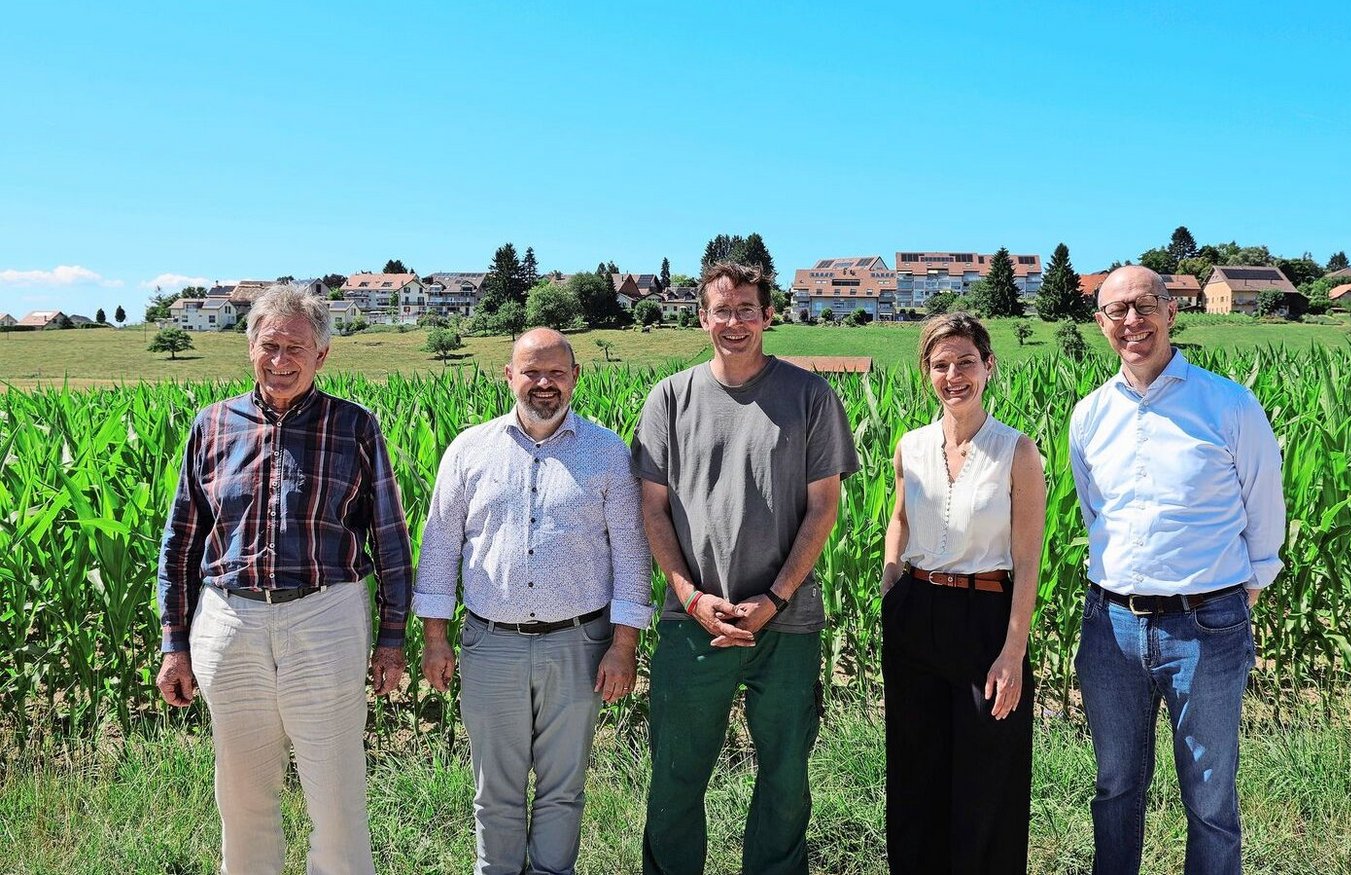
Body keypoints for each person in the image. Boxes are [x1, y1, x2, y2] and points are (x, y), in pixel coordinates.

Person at [154, 284, 412, 874]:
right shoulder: (212, 426)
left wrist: (393, 638)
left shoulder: (355, 427)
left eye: (295, 347)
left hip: (325, 614)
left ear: (321, 356)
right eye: (269, 345)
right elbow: (182, 543)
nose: (281, 360)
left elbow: (390, 540)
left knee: (338, 796)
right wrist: (175, 643)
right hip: (229, 618)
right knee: (241, 796)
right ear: (250, 349)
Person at [631, 260, 860, 875]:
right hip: (691, 623)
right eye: (722, 310)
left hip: (785, 626)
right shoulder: (670, 399)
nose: (735, 322)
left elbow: (823, 507)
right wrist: (692, 596)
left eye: (747, 310)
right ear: (702, 316)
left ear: (768, 315)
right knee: (676, 780)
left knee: (786, 780)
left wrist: (775, 599)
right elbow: (652, 510)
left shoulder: (810, 396)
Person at [1070, 265, 1285, 875]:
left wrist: (1248, 588)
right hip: (1111, 624)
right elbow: (1096, 513)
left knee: (1210, 795)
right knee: (1114, 786)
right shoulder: (1089, 416)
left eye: (1144, 305)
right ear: (1101, 322)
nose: (1132, 321)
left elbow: (1263, 507)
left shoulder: (1227, 403)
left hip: (1206, 623)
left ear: (1170, 311)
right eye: (1117, 311)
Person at [415, 328, 653, 875]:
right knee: (493, 790)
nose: (544, 384)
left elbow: (631, 554)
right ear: (509, 376)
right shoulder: (469, 450)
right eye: (531, 372)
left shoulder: (608, 452)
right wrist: (434, 637)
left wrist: (623, 645)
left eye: (556, 372)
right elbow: (439, 546)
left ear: (575, 378)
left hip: (580, 645)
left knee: (563, 789)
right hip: (490, 644)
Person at [879, 312, 1045, 874]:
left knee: (987, 779)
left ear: (989, 367)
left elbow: (1027, 560)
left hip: (986, 618)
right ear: (927, 372)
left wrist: (1013, 652)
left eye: (966, 362)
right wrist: (891, 581)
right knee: (914, 770)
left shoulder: (1018, 452)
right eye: (941, 364)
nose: (954, 375)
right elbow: (898, 519)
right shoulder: (911, 447)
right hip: (917, 611)